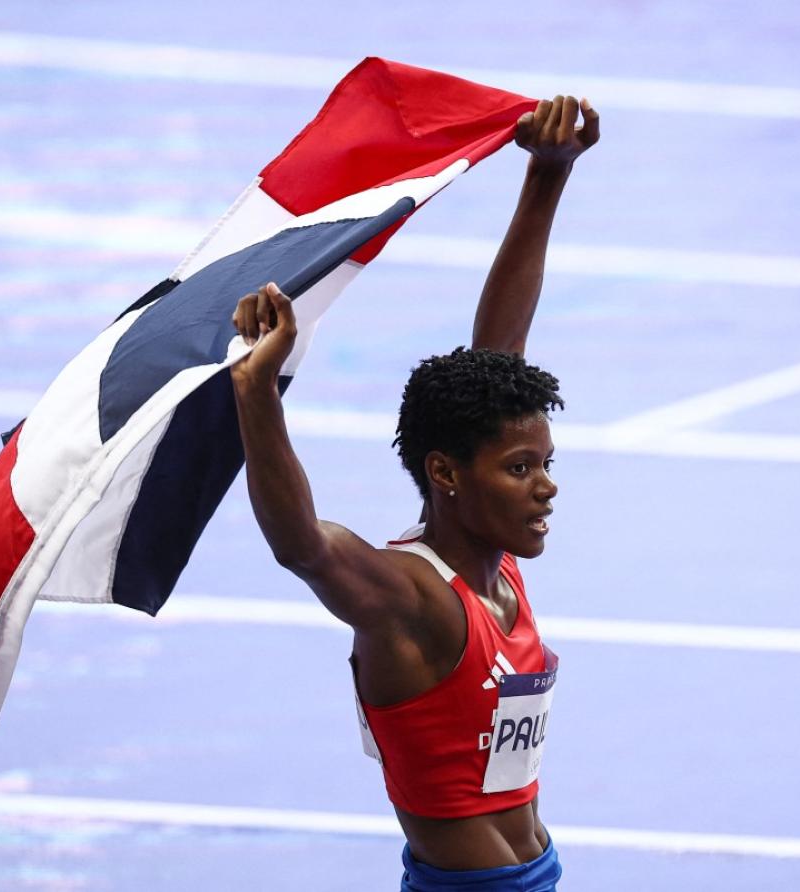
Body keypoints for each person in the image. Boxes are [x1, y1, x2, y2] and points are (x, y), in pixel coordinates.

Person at [229, 95, 599, 892]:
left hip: (536, 871)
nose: (546, 486)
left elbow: (498, 361)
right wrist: (257, 393)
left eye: (544, 462)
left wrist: (546, 176)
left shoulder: (494, 567)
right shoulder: (410, 596)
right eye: (520, 469)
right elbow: (301, 545)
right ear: (446, 473)